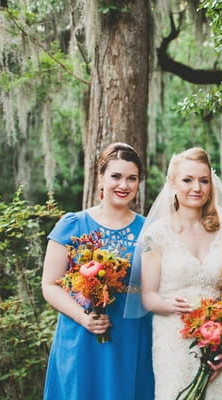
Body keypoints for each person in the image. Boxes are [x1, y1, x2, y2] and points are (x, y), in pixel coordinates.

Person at [41, 142, 154, 399]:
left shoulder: (150, 230)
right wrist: (83, 317)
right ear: (100, 177)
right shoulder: (73, 224)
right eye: (116, 176)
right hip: (82, 337)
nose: (123, 185)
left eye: (131, 178)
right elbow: (49, 285)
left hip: (131, 338)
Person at [137, 147, 222, 399]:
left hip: (216, 338)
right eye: (188, 180)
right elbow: (148, 295)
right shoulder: (155, 235)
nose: (197, 188)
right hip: (173, 337)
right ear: (172, 183)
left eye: (204, 181)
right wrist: (169, 305)